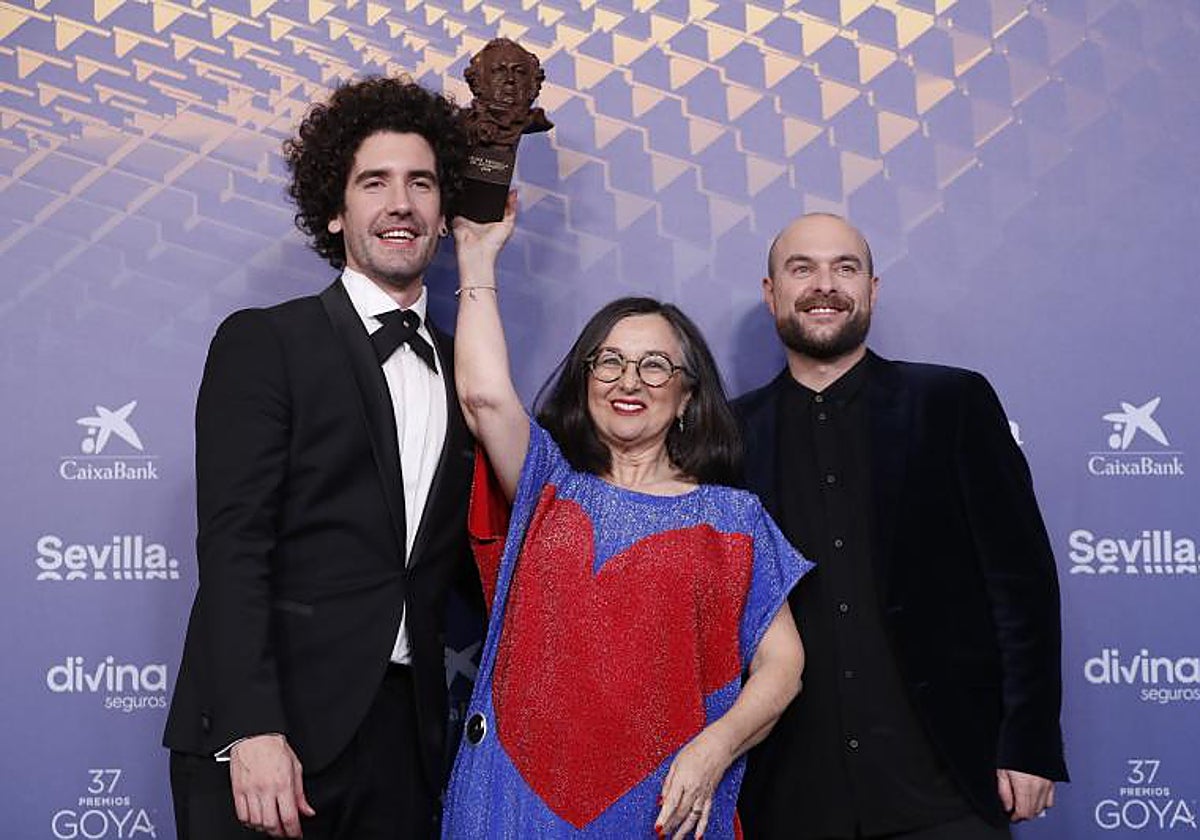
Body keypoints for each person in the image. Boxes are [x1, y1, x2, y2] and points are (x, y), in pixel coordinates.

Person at [163, 77, 480, 840]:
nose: (401, 204)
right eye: (375, 183)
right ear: (335, 210)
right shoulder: (267, 343)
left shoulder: (471, 370)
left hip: (403, 743)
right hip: (270, 733)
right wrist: (251, 728)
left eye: (422, 183)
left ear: (444, 212)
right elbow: (234, 546)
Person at [439, 196, 812, 839]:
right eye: (609, 361)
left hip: (665, 802)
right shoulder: (547, 485)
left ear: (687, 395)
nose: (628, 380)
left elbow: (784, 668)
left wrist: (714, 749)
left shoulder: (733, 521)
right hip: (514, 802)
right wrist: (476, 256)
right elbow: (483, 396)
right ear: (587, 380)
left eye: (654, 365)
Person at [735, 213, 1068, 840]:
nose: (825, 284)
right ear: (771, 292)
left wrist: (1028, 741)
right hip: (787, 796)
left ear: (872, 288)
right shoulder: (730, 436)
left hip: (946, 786)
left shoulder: (952, 404)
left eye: (845, 268)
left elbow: (1021, 586)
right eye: (802, 268)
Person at [462, 37, 553, 149]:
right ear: (478, 80)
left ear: (532, 83)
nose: (510, 79)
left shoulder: (535, 120)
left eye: (519, 72)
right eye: (499, 71)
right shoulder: (461, 122)